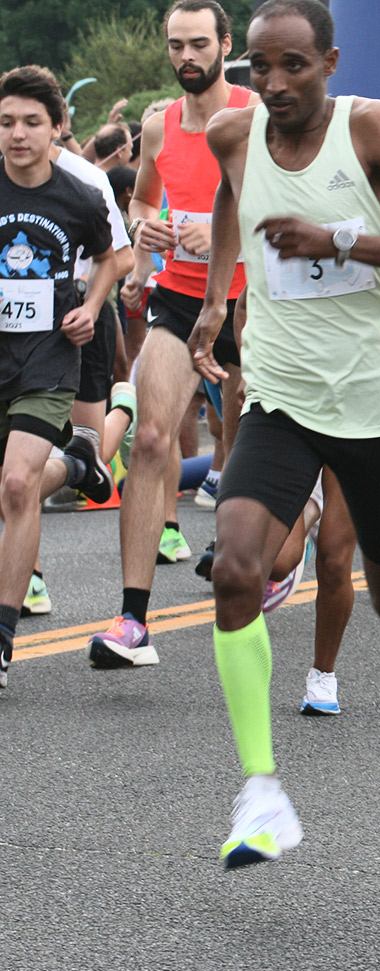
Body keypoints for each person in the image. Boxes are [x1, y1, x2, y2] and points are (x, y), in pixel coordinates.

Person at [188, 0, 380, 867]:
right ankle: (263, 793)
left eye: (293, 67)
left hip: (370, 403)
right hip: (279, 395)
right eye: (258, 68)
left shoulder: (375, 130)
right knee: (238, 570)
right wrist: (212, 305)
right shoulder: (233, 137)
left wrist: (340, 239)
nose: (273, 84)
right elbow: (232, 211)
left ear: (331, 61)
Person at [92, 0, 256, 669]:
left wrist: (223, 232)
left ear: (224, 43)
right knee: (151, 435)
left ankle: (268, 547)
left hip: (257, 302)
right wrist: (146, 229)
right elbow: (141, 199)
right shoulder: (157, 125)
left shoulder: (256, 115)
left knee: (245, 443)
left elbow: (291, 206)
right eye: (174, 46)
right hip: (182, 300)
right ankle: (133, 621)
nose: (186, 58)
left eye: (198, 45)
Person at [0, 65, 119, 687]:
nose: (17, 134)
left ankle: (1, 639)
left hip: (47, 360)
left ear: (57, 128)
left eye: (31, 123)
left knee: (17, 485)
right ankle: (76, 466)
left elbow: (114, 256)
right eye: (6, 122)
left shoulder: (79, 194)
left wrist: (92, 306)